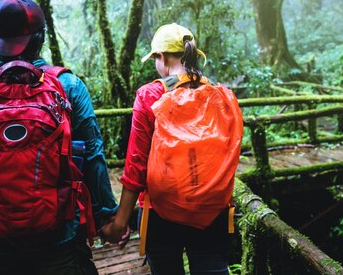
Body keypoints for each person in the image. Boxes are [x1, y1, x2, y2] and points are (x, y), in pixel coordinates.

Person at [0, 0, 118, 275]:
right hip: (61, 241)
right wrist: (106, 215)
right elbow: (93, 152)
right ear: (41, 37)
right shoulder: (67, 85)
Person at [102, 23, 243, 275]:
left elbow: (136, 164)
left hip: (161, 214)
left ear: (162, 57)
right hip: (212, 211)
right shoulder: (221, 95)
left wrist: (119, 221)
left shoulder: (149, 95)